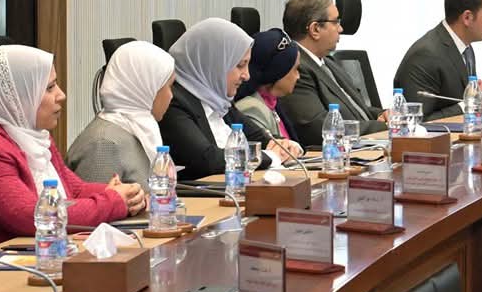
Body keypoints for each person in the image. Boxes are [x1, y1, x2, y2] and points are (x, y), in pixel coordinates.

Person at [0, 44, 139, 237]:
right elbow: (30, 217)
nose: (61, 95)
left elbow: (74, 191)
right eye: (49, 88)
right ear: (18, 96)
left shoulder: (32, 136)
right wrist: (113, 201)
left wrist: (127, 194)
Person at [162, 18, 279, 178]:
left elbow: (258, 137)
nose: (247, 75)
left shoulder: (219, 100)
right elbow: (208, 160)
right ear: (213, 63)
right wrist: (269, 156)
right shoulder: (173, 102)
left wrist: (282, 145)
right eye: (240, 65)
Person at [276, 0, 387, 145]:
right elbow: (317, 127)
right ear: (315, 29)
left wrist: (383, 115)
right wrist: (384, 127)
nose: (340, 29)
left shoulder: (329, 62)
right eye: (335, 22)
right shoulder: (296, 68)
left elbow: (357, 110)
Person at [66, 40, 176, 185]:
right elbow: (97, 199)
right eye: (169, 86)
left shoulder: (140, 130)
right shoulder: (104, 145)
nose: (171, 96)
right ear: (147, 88)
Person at [394, 0, 482, 119]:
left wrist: (480, 97)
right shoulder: (426, 55)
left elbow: (463, 100)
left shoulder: (466, 49)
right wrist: (469, 106)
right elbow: (416, 120)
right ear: (467, 17)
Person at [232, 29, 308, 155]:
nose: (298, 76)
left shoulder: (272, 103)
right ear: (277, 72)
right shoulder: (251, 108)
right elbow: (275, 154)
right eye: (295, 69)